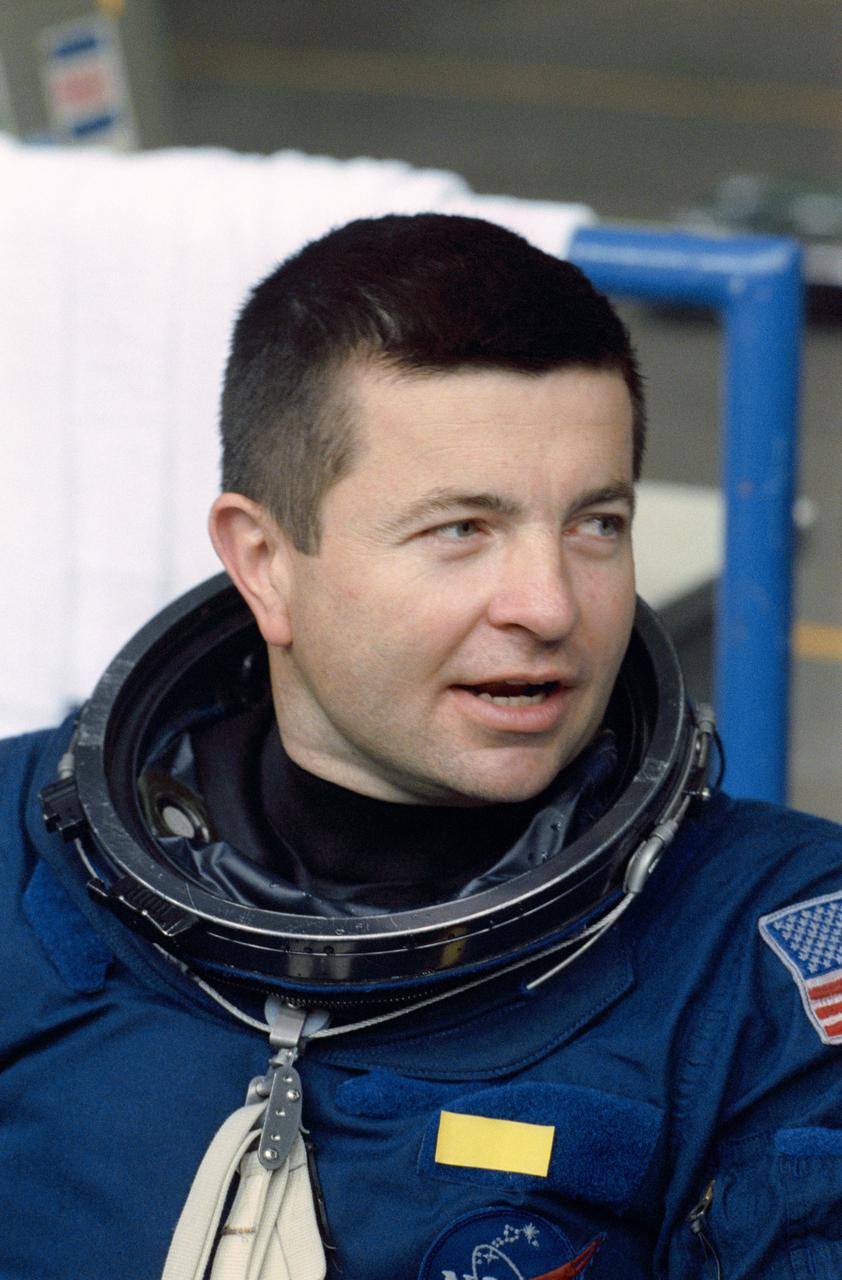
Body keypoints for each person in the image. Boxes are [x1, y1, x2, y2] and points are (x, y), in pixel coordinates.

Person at [2, 213, 841, 1280]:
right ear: (264, 560)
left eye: (595, 523)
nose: (547, 604)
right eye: (461, 529)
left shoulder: (779, 954)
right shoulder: (17, 857)